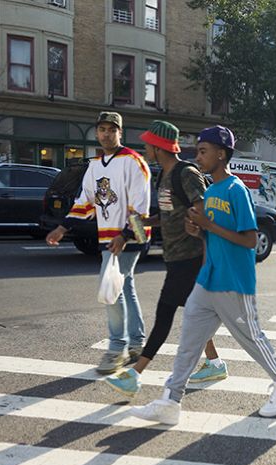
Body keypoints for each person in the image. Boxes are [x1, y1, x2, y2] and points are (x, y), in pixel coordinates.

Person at [129, 125, 276, 424]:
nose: (198, 155)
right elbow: (211, 234)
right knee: (189, 343)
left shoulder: (235, 189)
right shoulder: (212, 189)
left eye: (204, 151)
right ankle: (170, 400)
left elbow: (248, 239)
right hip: (207, 280)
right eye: (198, 150)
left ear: (222, 154)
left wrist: (208, 226)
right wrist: (198, 230)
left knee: (252, 338)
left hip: (234, 280)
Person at [105, 120, 227, 398]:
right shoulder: (164, 175)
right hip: (175, 258)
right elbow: (170, 214)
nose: (144, 148)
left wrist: (194, 225)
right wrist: (135, 229)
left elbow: (204, 210)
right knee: (196, 313)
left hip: (192, 258)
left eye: (148, 144)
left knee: (165, 314)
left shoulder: (186, 173)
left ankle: (135, 375)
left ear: (158, 147)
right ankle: (215, 363)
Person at [46, 111, 150, 375]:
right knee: (124, 287)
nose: (106, 134)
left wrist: (126, 236)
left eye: (111, 129)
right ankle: (137, 343)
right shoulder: (95, 165)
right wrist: (62, 227)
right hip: (109, 236)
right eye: (102, 129)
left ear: (120, 132)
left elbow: (141, 207)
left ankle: (117, 349)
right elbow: (85, 202)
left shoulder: (134, 162)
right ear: (96, 132)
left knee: (110, 288)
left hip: (130, 235)